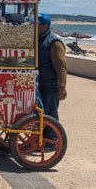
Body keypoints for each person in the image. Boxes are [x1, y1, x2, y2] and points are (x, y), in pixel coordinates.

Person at [37, 13, 67, 143]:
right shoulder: (38, 39)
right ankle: (41, 138)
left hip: (50, 85)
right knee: (41, 113)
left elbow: (61, 66)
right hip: (39, 84)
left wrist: (62, 86)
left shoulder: (54, 42)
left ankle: (52, 140)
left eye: (37, 25)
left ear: (45, 26)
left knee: (50, 113)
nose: (35, 27)